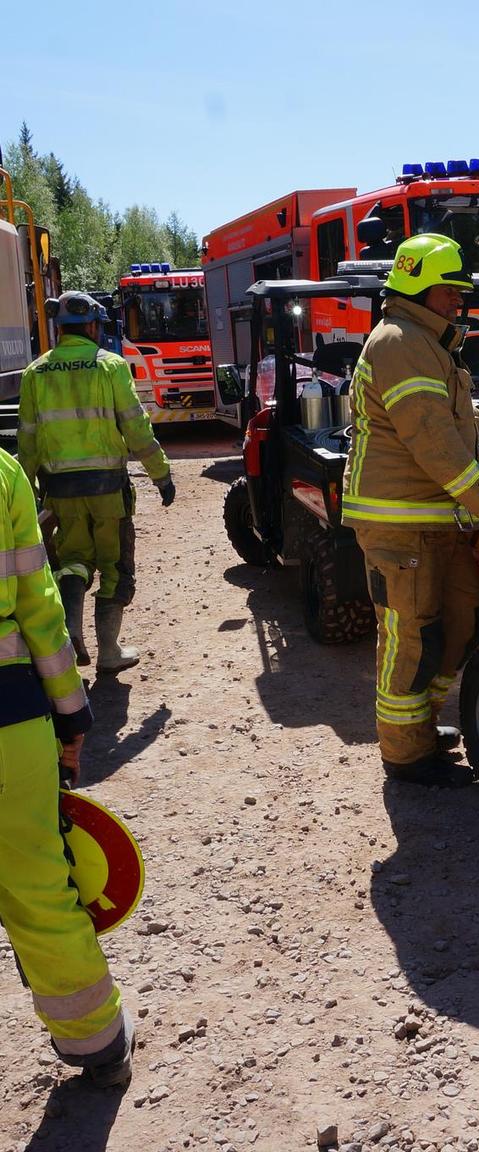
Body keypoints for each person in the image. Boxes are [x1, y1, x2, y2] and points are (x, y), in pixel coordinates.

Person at [342, 234, 479, 788]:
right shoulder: (400, 340)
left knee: (461, 624)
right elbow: (428, 437)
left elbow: (437, 418)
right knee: (412, 639)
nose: (459, 302)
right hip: (401, 523)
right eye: (450, 291)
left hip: (435, 519)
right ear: (419, 287)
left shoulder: (425, 340)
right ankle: (405, 754)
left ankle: (422, 724)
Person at [0, 447, 134, 1087]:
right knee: (36, 885)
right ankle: (96, 1044)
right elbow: (37, 608)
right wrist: (71, 713)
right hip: (7, 717)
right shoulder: (0, 475)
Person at [18, 291, 175, 675]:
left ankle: (72, 629)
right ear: (92, 326)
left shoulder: (34, 373)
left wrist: (28, 494)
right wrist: (161, 474)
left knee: (72, 560)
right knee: (115, 565)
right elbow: (135, 427)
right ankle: (109, 650)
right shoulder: (110, 367)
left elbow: (28, 440)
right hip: (107, 490)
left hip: (61, 492)